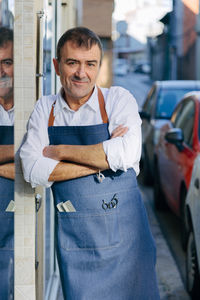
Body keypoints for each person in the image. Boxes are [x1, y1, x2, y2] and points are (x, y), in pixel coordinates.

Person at [20, 27, 160, 299]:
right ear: (57, 66)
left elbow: (128, 153)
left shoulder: (119, 99)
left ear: (99, 66)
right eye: (72, 63)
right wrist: (103, 160)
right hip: (77, 246)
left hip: (129, 247)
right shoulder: (44, 109)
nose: (81, 73)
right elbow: (33, 170)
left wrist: (60, 150)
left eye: (90, 64)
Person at [0, 26, 14, 300]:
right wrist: (21, 150)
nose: (1, 72)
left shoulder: (37, 106)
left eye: (8, 62)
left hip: (21, 220)